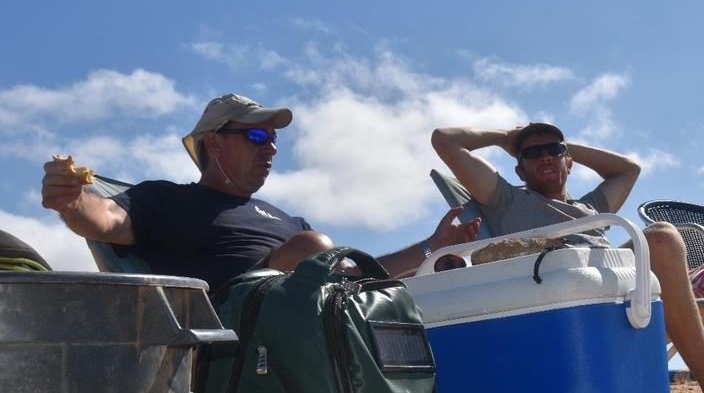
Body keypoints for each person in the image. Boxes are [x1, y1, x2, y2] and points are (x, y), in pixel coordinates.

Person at [431, 122, 704, 393]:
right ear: (518, 167)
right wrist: (505, 139)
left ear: (568, 161)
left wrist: (563, 143)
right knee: (660, 237)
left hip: (641, 279)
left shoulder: (590, 206)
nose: (545, 157)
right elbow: (444, 141)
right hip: (594, 290)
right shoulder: (507, 199)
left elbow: (629, 169)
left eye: (554, 151)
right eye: (532, 153)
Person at [41, 93, 479, 293]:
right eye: (255, 134)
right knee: (312, 249)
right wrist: (74, 199)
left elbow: (354, 271)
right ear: (214, 142)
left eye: (273, 139)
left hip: (324, 314)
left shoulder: (286, 220)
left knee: (441, 289)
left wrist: (430, 248)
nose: (270, 146)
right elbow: (106, 223)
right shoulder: (168, 199)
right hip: (248, 336)